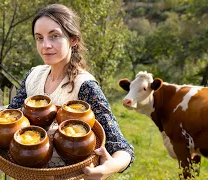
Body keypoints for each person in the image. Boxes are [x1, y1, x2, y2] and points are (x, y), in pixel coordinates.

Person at [8, 4, 134, 179]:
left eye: (54, 36)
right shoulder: (33, 76)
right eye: (39, 38)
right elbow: (10, 118)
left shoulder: (85, 86)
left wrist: (106, 169)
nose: (45, 45)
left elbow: (122, 148)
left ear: (73, 39)